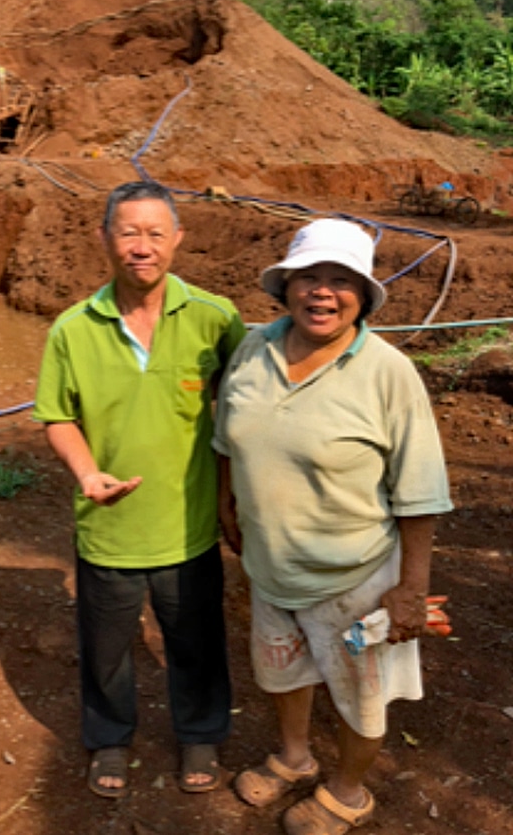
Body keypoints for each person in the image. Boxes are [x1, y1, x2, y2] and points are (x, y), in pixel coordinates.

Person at [213, 218, 452, 835]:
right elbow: (227, 440)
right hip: (270, 567)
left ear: (364, 295)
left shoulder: (387, 372)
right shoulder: (254, 348)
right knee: (282, 672)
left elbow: (420, 492)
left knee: (359, 697)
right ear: (286, 287)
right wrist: (226, 506)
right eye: (309, 277)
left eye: (340, 280)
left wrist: (410, 590)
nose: (322, 292)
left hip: (356, 579)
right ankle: (294, 758)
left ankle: (348, 792)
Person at [33, 180, 247, 798]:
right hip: (108, 526)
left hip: (189, 523)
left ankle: (201, 731)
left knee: (197, 640)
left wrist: (233, 497)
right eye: (129, 232)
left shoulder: (216, 318)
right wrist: (85, 472)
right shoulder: (73, 328)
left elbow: (243, 410)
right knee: (106, 649)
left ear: (178, 239)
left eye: (156, 233)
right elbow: (56, 414)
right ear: (105, 239)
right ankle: (109, 739)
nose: (142, 247)